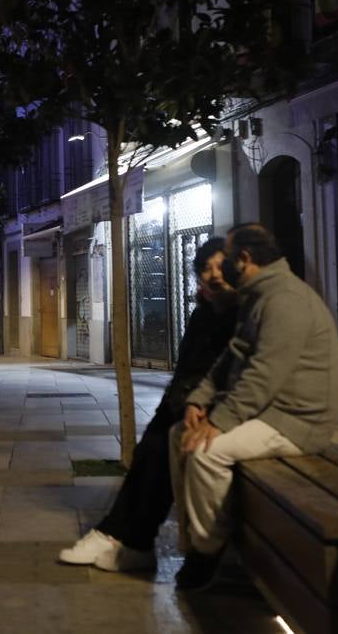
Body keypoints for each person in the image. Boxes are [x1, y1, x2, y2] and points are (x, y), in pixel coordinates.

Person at [169, 223, 338, 590]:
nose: (222, 266)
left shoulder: (285, 300)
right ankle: (194, 542)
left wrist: (219, 422)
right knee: (178, 436)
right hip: (270, 412)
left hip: (295, 420)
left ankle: (209, 550)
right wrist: (200, 399)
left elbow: (263, 375)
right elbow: (233, 357)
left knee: (205, 451)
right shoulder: (260, 295)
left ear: (244, 259)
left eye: (228, 258)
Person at [59, 237, 237, 572]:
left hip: (216, 410)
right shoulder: (205, 313)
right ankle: (129, 540)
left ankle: (124, 538)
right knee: (150, 452)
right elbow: (187, 371)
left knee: (156, 452)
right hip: (187, 404)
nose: (212, 276)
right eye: (205, 269)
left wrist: (199, 408)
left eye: (219, 267)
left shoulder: (239, 316)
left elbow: (228, 374)